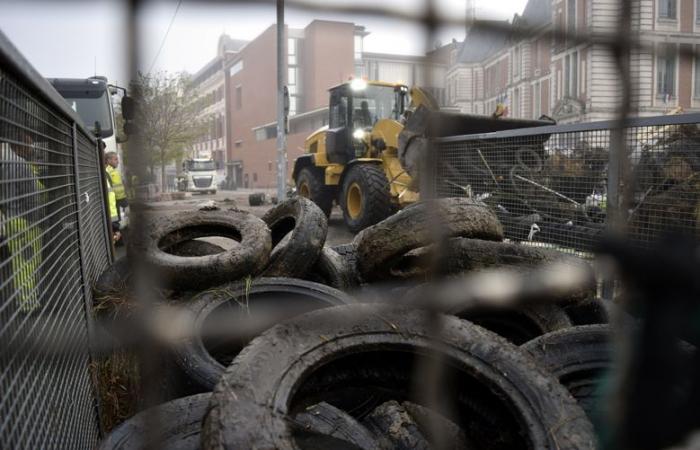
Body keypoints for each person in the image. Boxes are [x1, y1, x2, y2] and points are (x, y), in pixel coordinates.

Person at [0, 132, 44, 313]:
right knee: (27, 263)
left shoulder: (5, 163)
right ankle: (28, 305)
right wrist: (37, 220)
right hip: (25, 220)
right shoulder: (20, 164)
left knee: (20, 262)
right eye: (29, 146)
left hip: (9, 217)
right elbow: (31, 198)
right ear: (20, 146)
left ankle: (26, 301)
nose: (31, 150)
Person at [105, 151, 128, 217]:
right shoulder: (109, 171)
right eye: (115, 159)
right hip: (115, 203)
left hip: (116, 203)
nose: (118, 162)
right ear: (109, 160)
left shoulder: (112, 170)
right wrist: (124, 201)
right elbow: (117, 190)